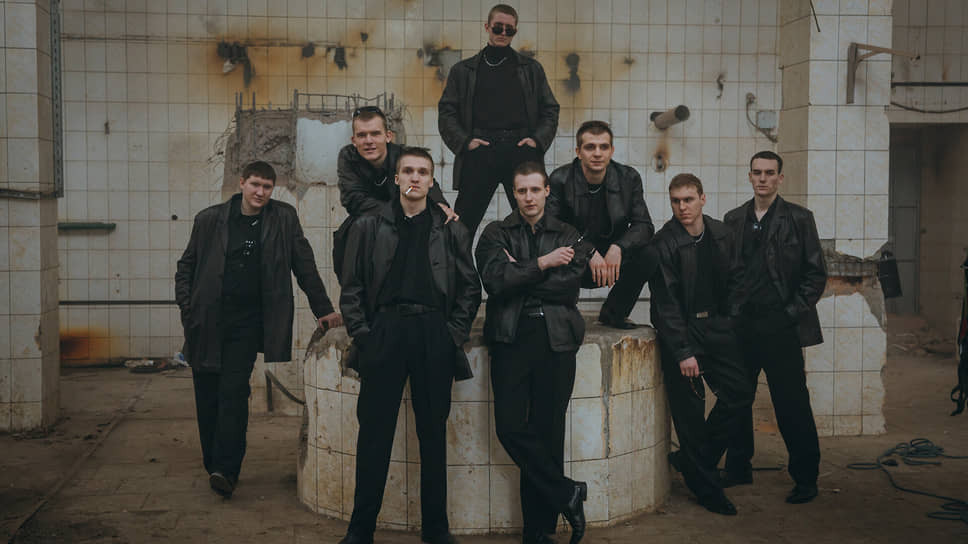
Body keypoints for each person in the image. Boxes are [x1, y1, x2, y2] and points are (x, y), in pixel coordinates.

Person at [338, 147, 482, 544]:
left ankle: (436, 530)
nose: (415, 177)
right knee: (374, 435)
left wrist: (453, 334)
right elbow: (351, 287)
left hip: (433, 332)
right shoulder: (369, 226)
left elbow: (470, 289)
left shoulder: (451, 229)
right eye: (408, 171)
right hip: (384, 331)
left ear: (432, 182)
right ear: (397, 178)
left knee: (433, 436)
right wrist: (363, 335)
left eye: (422, 172)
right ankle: (360, 530)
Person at [175, 161, 342, 499]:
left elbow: (304, 264)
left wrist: (323, 308)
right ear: (242, 183)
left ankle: (226, 469)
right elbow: (186, 267)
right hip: (207, 321)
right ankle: (213, 463)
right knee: (207, 395)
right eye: (255, 184)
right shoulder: (210, 219)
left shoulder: (283, 218)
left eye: (267, 187)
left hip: (248, 323)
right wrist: (188, 310)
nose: (261, 192)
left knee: (234, 392)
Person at [476, 162, 593, 544]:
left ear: (546, 192)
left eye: (534, 190)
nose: (528, 197)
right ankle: (567, 493)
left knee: (548, 433)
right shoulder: (495, 233)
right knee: (510, 427)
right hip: (511, 337)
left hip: (555, 337)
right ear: (514, 194)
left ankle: (538, 532)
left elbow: (568, 287)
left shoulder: (568, 233)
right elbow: (495, 281)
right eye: (521, 191)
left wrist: (520, 274)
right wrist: (543, 263)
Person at [714, 151, 827, 504]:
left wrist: (790, 312)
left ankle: (806, 478)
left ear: (780, 178)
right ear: (749, 176)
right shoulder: (733, 219)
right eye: (757, 172)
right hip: (743, 326)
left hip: (781, 327)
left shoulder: (799, 219)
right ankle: (737, 467)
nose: (762, 178)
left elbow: (815, 274)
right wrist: (729, 316)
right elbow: (725, 274)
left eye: (769, 173)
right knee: (737, 398)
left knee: (791, 404)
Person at [648, 173, 753, 516]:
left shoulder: (723, 233)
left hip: (718, 327)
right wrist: (684, 352)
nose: (682, 207)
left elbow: (738, 279)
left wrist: (730, 320)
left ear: (703, 199)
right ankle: (707, 490)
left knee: (739, 393)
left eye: (688, 199)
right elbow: (665, 305)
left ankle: (693, 461)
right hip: (683, 332)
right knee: (691, 416)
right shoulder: (663, 243)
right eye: (676, 201)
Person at [438, 3, 559, 237]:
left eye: (509, 30)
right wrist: (466, 143)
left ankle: (536, 261)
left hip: (521, 150)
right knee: (463, 225)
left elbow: (550, 109)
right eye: (498, 28)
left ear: (515, 31)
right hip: (480, 151)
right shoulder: (463, 71)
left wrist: (536, 141)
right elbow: (446, 112)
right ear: (487, 27)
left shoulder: (531, 69)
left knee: (534, 222)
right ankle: (458, 263)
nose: (503, 33)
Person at [547, 120, 656, 329]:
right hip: (574, 260)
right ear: (578, 152)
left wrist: (619, 247)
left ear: (611, 151)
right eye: (590, 147)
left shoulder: (628, 178)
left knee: (650, 253)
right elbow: (551, 228)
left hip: (610, 261)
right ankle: (562, 313)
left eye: (603, 147)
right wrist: (587, 251)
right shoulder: (560, 179)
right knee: (546, 248)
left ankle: (614, 313)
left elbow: (644, 226)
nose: (597, 153)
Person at [332, 106, 457, 282]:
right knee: (344, 240)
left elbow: (422, 185)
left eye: (375, 134)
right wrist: (394, 212)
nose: (369, 141)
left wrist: (440, 204)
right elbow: (353, 200)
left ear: (388, 136)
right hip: (369, 218)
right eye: (362, 135)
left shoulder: (402, 156)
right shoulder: (348, 157)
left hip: (405, 217)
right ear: (354, 140)